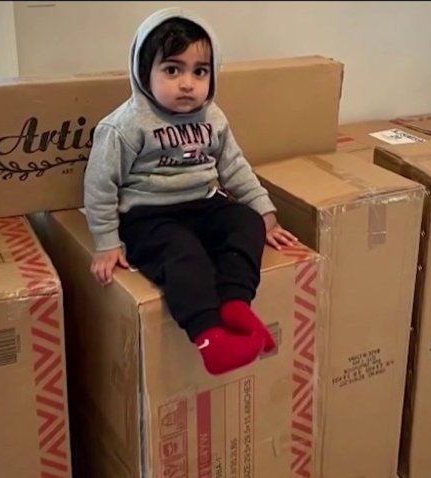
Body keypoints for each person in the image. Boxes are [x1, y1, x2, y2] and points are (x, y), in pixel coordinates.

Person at [83, 7, 298, 376]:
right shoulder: (125, 125)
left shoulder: (212, 117)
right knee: (183, 253)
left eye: (199, 72)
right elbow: (100, 185)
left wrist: (266, 215)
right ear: (143, 73)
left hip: (204, 204)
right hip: (150, 216)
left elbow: (234, 167)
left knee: (246, 224)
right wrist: (106, 241)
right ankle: (209, 335)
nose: (187, 83)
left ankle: (235, 304)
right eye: (172, 69)